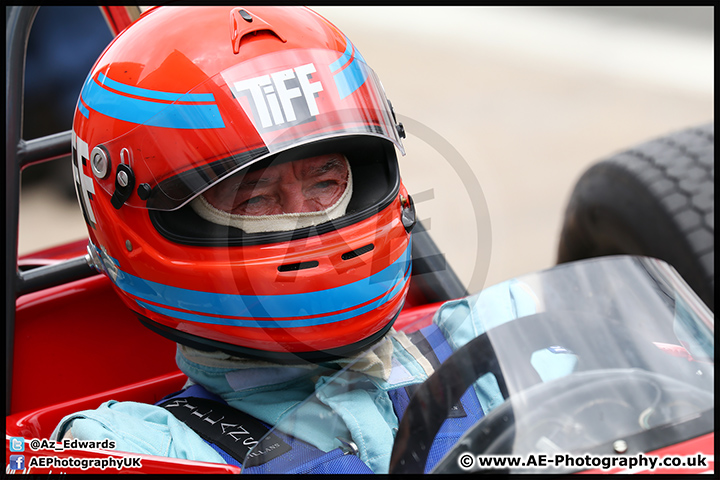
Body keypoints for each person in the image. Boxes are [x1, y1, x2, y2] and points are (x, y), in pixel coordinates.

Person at [52, 6, 576, 474]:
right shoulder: (141, 448)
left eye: (326, 183)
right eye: (255, 199)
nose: (310, 224)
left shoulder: (496, 332)